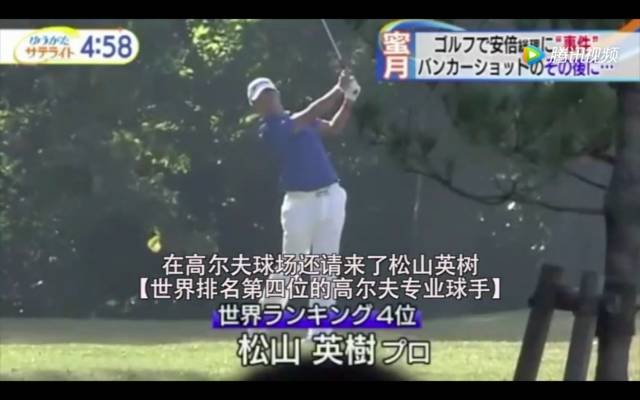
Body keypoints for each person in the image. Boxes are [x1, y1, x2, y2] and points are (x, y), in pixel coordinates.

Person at [247, 71, 361, 340]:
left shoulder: (299, 119)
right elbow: (310, 114)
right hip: (299, 204)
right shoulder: (270, 130)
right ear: (255, 107)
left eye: (269, 94)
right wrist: (339, 88)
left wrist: (349, 99)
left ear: (277, 94)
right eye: (261, 99)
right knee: (292, 266)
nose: (268, 100)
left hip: (331, 196)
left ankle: (320, 330)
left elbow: (334, 128)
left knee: (326, 266)